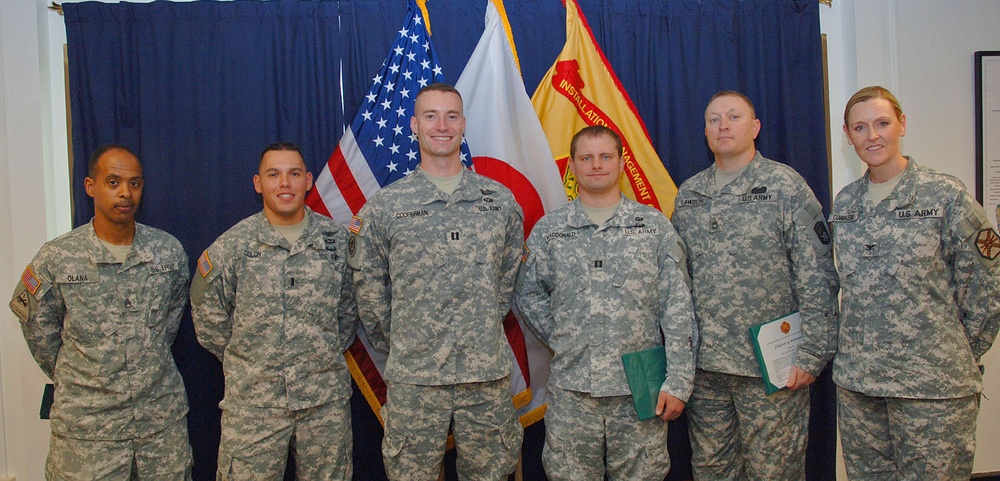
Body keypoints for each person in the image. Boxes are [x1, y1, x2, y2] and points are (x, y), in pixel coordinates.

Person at [348, 83, 524, 481]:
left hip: (485, 378)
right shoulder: (385, 208)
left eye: (451, 116)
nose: (441, 125)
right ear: (414, 125)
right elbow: (370, 291)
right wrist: (408, 342)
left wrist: (475, 325)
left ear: (463, 124)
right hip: (415, 379)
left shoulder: (499, 201)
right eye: (431, 116)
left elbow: (508, 277)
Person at [832, 85, 1000, 479]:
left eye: (882, 123)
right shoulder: (846, 203)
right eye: (860, 127)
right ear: (848, 134)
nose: (872, 135)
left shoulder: (944, 194)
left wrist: (952, 349)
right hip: (861, 385)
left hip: (933, 387)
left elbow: (988, 282)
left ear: (902, 125)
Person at [671, 91, 839, 480]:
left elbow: (816, 274)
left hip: (771, 368)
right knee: (712, 471)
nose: (723, 126)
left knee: (773, 472)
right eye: (714, 119)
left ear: (755, 127)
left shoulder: (785, 186)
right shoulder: (690, 194)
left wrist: (813, 354)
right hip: (707, 369)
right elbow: (679, 281)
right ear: (706, 130)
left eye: (733, 117)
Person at [514, 125, 697, 481]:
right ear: (573, 168)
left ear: (621, 163)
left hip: (639, 391)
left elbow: (678, 307)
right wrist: (565, 335)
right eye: (586, 158)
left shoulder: (653, 227)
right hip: (572, 391)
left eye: (605, 157)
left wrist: (678, 381)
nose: (596, 165)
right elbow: (527, 292)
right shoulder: (551, 231)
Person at [8, 144, 192, 480]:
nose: (125, 193)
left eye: (134, 183)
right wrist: (82, 375)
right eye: (113, 182)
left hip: (159, 425)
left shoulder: (168, 252)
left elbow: (169, 322)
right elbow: (37, 328)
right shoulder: (57, 257)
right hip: (87, 431)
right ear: (90, 186)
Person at [190, 142, 357, 481]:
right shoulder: (232, 246)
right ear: (258, 183)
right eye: (274, 174)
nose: (285, 183)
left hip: (323, 404)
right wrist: (250, 360)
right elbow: (207, 317)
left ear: (308, 180)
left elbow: (349, 312)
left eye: (294, 174)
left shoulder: (338, 242)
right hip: (254, 407)